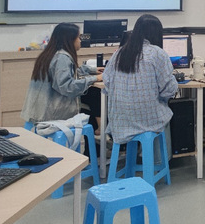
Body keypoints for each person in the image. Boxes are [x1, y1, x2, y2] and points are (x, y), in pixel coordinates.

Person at [102, 14, 178, 145]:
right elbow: (168, 90)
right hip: (149, 121)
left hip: (120, 122)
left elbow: (107, 83)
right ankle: (156, 156)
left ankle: (139, 153)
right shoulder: (157, 53)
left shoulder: (118, 53)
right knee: (168, 112)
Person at [21, 23, 102, 124]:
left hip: (37, 111)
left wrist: (91, 70)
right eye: (78, 37)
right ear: (70, 40)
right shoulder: (62, 58)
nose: (80, 41)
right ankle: (100, 129)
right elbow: (67, 87)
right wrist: (95, 78)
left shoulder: (51, 54)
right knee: (95, 96)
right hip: (50, 116)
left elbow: (66, 73)